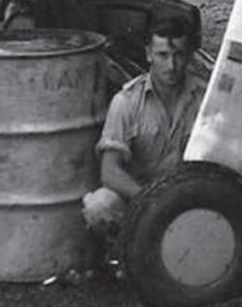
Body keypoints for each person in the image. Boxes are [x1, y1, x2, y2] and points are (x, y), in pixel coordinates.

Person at [81, 15, 205, 237]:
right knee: (99, 205)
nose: (171, 66)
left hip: (188, 200)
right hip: (140, 200)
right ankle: (122, 255)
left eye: (178, 55)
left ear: (189, 56)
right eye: (163, 55)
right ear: (148, 54)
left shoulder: (204, 99)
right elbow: (109, 172)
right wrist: (151, 201)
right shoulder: (126, 101)